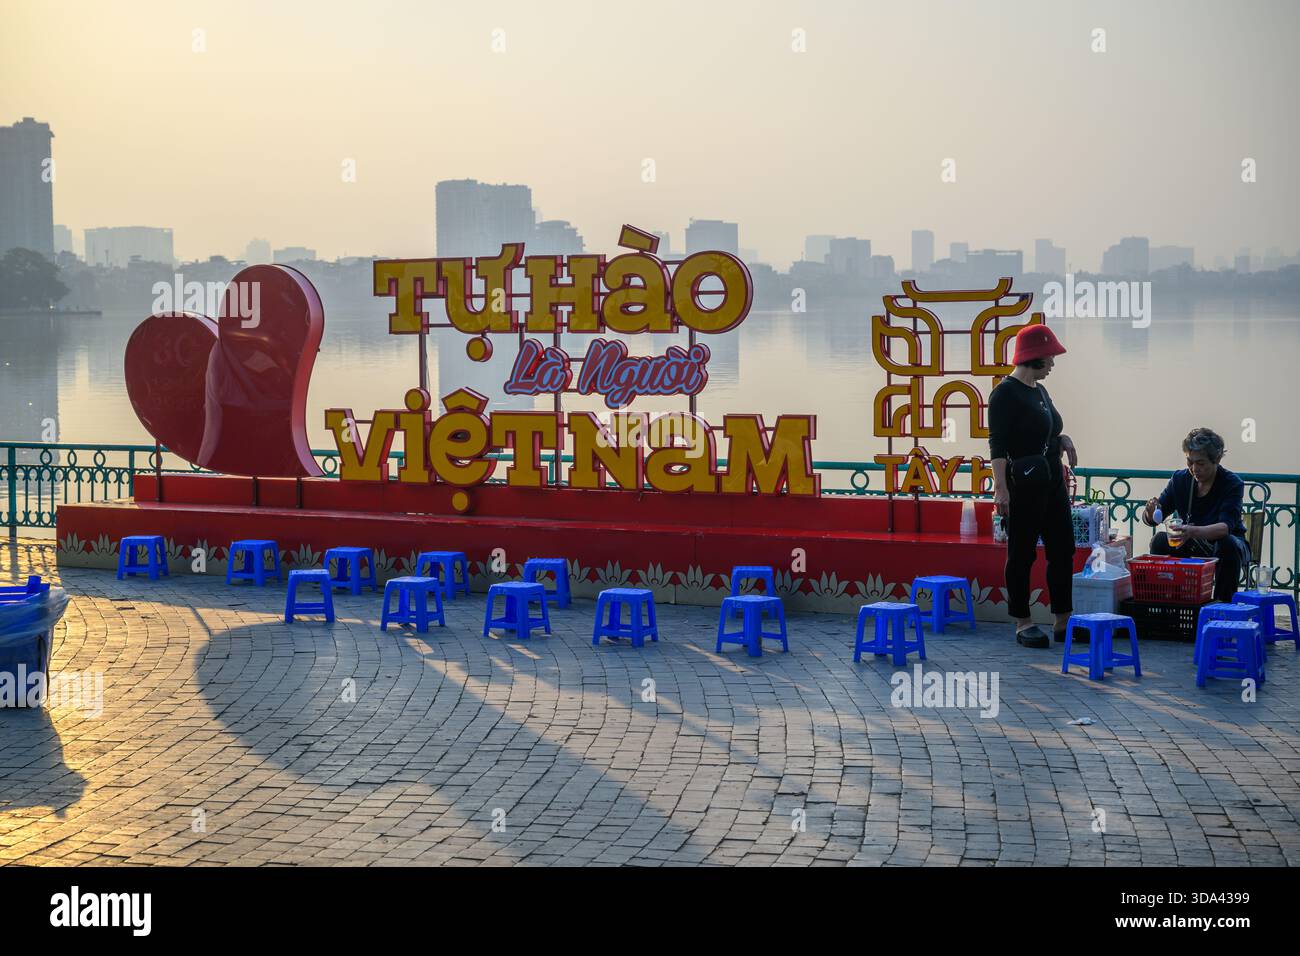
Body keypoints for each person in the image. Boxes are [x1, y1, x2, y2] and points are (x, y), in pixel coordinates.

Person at [989, 325, 1079, 648]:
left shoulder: (1040, 391)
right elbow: (997, 446)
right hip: (1023, 485)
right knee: (1022, 553)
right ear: (1034, 357)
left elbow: (1049, 428)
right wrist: (1001, 488)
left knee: (1062, 548)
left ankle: (1062, 618)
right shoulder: (1005, 393)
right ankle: (1022, 621)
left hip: (1053, 481)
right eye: (1050, 357)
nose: (1053, 363)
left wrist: (1063, 439)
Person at [1140, 427, 1249, 601]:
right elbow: (1155, 518)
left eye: (1200, 463)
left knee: (1227, 545)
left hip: (1228, 545)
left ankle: (1222, 605)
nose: (1194, 468)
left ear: (1217, 460)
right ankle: (1169, 602)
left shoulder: (1232, 483)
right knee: (1160, 540)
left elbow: (1224, 528)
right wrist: (1150, 512)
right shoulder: (1180, 480)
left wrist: (1192, 531)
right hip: (1191, 542)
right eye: (1190, 462)